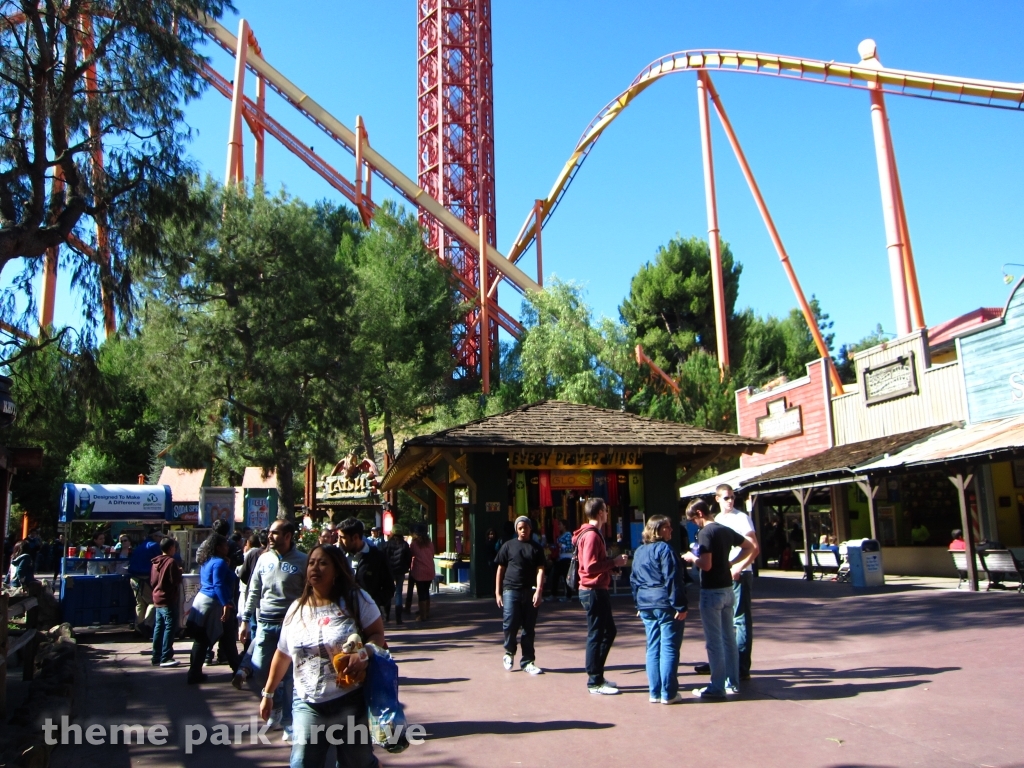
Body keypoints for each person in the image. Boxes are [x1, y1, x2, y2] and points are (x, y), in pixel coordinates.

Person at [259, 545, 384, 766]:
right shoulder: (296, 609)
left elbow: (377, 635)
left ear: (337, 570)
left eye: (323, 563)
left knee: (357, 763)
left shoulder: (356, 599)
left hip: (350, 699)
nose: (315, 567)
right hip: (308, 702)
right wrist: (268, 693)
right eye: (311, 562)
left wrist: (364, 653)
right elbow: (283, 652)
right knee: (302, 762)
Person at [237, 519, 308, 736]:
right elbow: (254, 591)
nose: (269, 536)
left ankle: (288, 720)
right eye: (269, 532)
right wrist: (245, 621)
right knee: (259, 669)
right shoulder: (263, 559)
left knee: (288, 676)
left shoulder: (303, 560)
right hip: (265, 625)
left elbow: (309, 593)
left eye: (275, 533)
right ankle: (275, 706)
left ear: (288, 536)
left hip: (291, 625)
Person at [682, 498, 756, 699]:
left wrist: (691, 558)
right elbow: (750, 546)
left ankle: (717, 685)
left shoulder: (706, 532)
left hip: (711, 590)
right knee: (729, 639)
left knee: (714, 642)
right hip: (727, 589)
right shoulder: (723, 529)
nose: (693, 524)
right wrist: (732, 563)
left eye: (692, 520)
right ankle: (733, 681)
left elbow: (706, 565)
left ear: (699, 514)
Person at [574, 497, 629, 695]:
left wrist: (609, 567)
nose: (607, 513)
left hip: (595, 589)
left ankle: (597, 674)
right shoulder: (592, 536)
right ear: (600, 513)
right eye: (605, 510)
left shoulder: (588, 534)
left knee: (607, 631)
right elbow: (590, 566)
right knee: (597, 634)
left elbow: (593, 563)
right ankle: (594, 680)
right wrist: (613, 563)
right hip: (593, 590)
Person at [631, 515, 687, 704]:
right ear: (658, 530)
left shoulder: (639, 551)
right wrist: (680, 605)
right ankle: (668, 692)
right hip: (664, 602)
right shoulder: (665, 549)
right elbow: (672, 578)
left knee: (652, 647)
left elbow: (634, 579)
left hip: (646, 602)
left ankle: (654, 692)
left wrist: (638, 603)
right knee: (669, 647)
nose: (671, 530)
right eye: (667, 527)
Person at [495, 516, 546, 675]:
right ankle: (509, 652)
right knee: (510, 623)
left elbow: (540, 570)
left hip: (529, 590)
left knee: (528, 627)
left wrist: (538, 591)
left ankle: (528, 661)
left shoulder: (536, 548)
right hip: (511, 589)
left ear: (531, 529)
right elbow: (500, 569)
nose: (523, 530)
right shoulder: (508, 546)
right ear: (516, 529)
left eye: (526, 527)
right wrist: (498, 592)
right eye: (520, 528)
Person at [186, 533, 238, 684]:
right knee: (228, 637)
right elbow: (218, 585)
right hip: (214, 603)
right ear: (218, 547)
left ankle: (194, 672)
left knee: (201, 640)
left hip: (202, 601)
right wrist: (226, 605)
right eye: (225, 545)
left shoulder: (207, 561)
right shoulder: (219, 563)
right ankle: (238, 669)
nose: (228, 547)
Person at [338, 518, 394, 621]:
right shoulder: (337, 556)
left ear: (355, 537)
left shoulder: (377, 557)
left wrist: (373, 602)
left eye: (342, 537)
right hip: (341, 615)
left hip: (368, 616)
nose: (339, 541)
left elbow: (389, 588)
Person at [150, 537, 183, 668]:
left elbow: (152, 581)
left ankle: (156, 655)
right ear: (170, 548)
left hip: (157, 597)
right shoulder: (171, 562)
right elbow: (174, 580)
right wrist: (179, 572)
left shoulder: (155, 562)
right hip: (168, 598)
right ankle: (166, 656)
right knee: (170, 626)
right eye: (174, 547)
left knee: (159, 626)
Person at [127, 527, 166, 632]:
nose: (161, 539)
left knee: (140, 604)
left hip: (134, 578)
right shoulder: (154, 546)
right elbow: (162, 561)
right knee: (153, 602)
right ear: (154, 536)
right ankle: (145, 625)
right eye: (160, 536)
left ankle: (138, 627)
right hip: (145, 578)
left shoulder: (140, 546)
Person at [384, 525, 412, 624]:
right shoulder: (404, 545)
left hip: (389, 571)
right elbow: (408, 558)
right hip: (400, 571)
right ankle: (398, 618)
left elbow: (383, 557)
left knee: (388, 593)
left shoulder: (387, 544)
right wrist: (406, 568)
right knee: (398, 593)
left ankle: (387, 615)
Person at [409, 526, 436, 621]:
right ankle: (427, 612)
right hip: (429, 569)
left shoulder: (414, 544)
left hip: (419, 571)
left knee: (421, 593)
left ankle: (422, 615)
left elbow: (411, 554)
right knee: (426, 592)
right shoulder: (430, 543)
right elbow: (432, 554)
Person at [554, 519, 574, 602]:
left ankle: (568, 596)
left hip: (566, 558)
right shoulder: (561, 535)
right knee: (556, 575)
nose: (559, 526)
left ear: (564, 525)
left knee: (566, 577)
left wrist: (561, 546)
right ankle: (555, 593)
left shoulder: (568, 535)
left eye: (560, 524)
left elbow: (570, 548)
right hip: (561, 558)